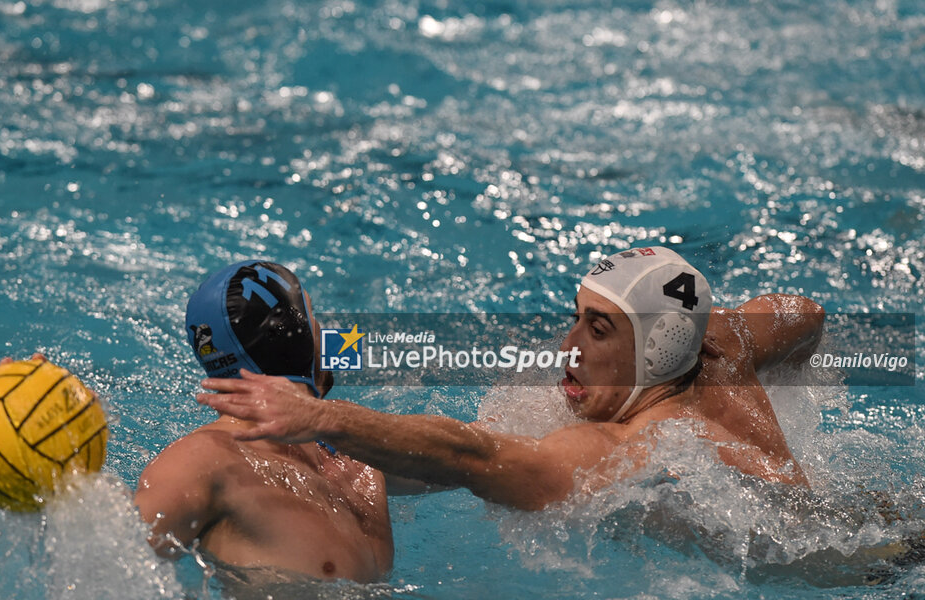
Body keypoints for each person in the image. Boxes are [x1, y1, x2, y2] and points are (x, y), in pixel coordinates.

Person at [194, 246, 825, 511]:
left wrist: (325, 418)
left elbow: (474, 457)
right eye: (576, 318)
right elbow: (805, 312)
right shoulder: (723, 344)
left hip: (858, 580)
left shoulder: (638, 447)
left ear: (661, 351)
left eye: (598, 330)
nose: (567, 346)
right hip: (862, 518)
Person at [134, 260, 393, 583]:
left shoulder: (357, 460)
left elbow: (463, 461)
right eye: (313, 318)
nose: (329, 335)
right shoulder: (203, 460)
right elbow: (115, 557)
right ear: (292, 336)